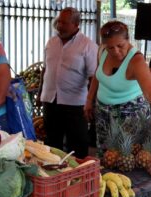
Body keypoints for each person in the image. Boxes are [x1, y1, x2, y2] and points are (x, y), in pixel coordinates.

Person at [84, 21, 151, 150]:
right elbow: (98, 75)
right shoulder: (102, 51)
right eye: (110, 47)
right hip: (103, 113)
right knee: (106, 155)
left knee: (127, 158)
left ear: (128, 39)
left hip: (130, 117)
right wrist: (89, 100)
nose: (116, 51)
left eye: (120, 45)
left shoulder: (136, 61)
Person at [39, 7, 98, 158]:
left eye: (64, 23)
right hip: (51, 101)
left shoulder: (88, 45)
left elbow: (94, 78)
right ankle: (54, 176)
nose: (59, 26)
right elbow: (45, 70)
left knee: (77, 146)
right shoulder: (51, 42)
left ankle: (77, 177)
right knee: (51, 145)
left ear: (76, 24)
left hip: (76, 105)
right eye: (59, 21)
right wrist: (41, 94)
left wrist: (91, 103)